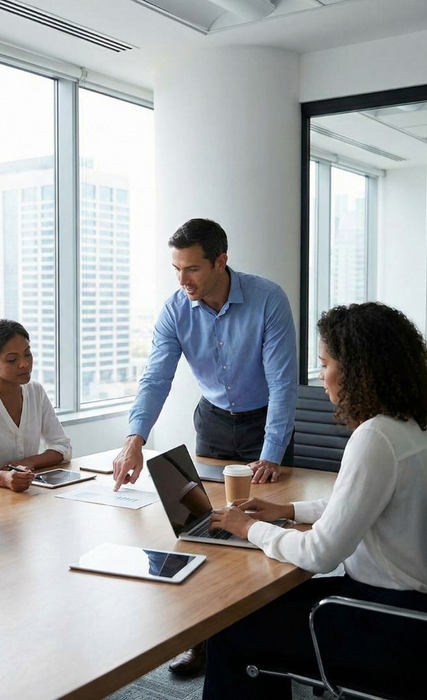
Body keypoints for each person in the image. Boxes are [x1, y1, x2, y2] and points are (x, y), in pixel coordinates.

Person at [203, 302, 427, 699]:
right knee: (256, 608)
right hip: (417, 616)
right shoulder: (417, 426)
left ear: (358, 371)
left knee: (230, 628)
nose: (321, 375)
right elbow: (361, 504)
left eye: (325, 363)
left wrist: (250, 528)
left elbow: (320, 554)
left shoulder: (375, 437)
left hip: (388, 626)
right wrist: (287, 511)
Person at [112, 218, 298, 675]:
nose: (183, 280)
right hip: (213, 424)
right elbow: (156, 378)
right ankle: (206, 642)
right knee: (204, 529)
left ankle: (272, 640)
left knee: (261, 530)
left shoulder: (267, 298)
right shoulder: (176, 308)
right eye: (176, 269)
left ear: (221, 261)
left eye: (192, 269)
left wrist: (273, 450)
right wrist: (134, 441)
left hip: (264, 427)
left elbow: (282, 383)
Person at [0, 319, 72, 492]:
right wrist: (4, 478)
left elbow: (63, 446)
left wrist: (28, 462)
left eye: (28, 354)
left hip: (27, 492)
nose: (24, 364)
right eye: (12, 359)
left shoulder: (36, 391)